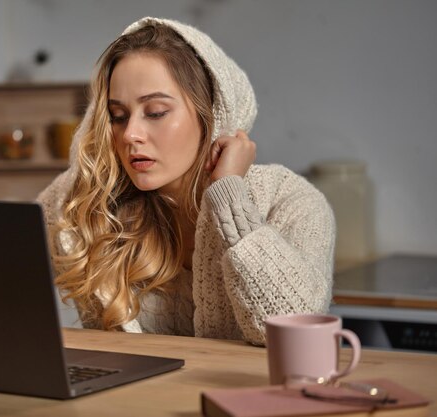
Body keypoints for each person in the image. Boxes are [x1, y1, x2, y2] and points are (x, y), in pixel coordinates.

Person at [37, 17, 335, 346]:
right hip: (130, 398)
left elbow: (291, 330)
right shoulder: (92, 196)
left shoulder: (289, 201)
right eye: (118, 116)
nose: (131, 134)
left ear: (211, 112)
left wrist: (230, 198)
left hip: (244, 397)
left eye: (155, 112)